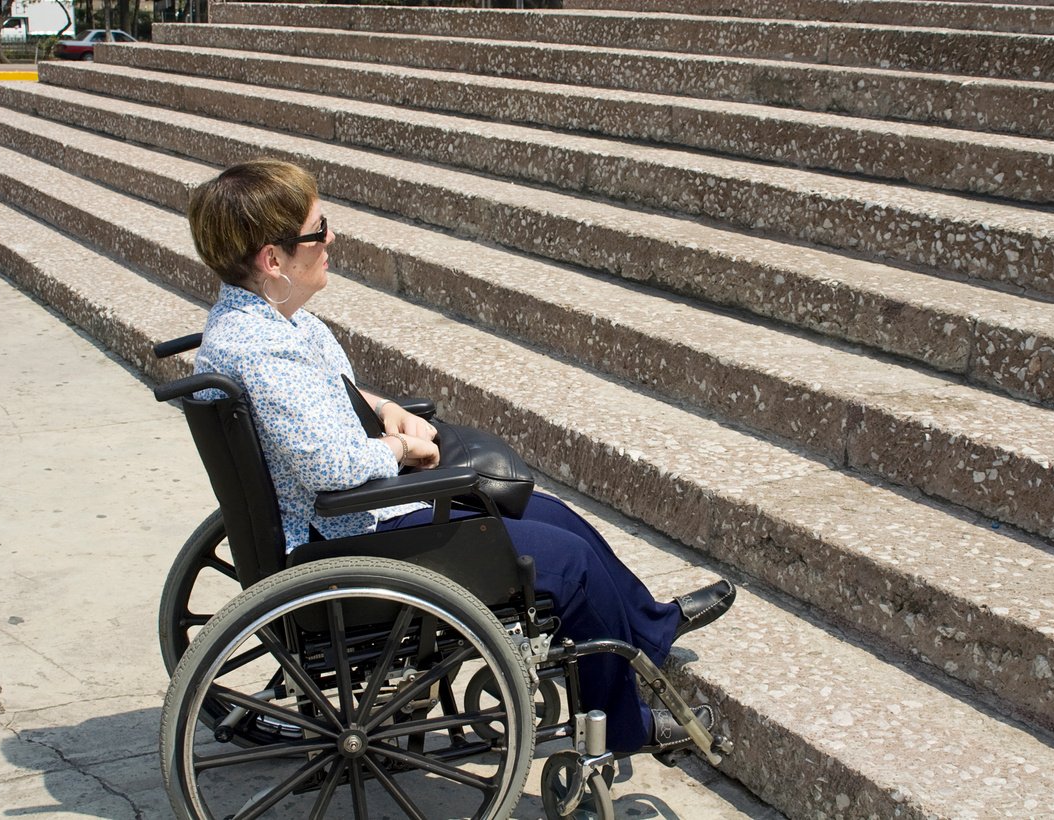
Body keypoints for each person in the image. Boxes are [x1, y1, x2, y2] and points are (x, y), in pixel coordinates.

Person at [187, 158, 735, 754]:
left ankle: (647, 629)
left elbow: (316, 404)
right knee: (567, 563)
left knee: (550, 514)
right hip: (346, 535)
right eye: (318, 232)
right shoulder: (264, 352)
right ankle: (624, 728)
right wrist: (401, 447)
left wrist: (383, 407)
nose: (332, 239)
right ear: (272, 260)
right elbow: (327, 467)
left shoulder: (266, 325)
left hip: (344, 518)